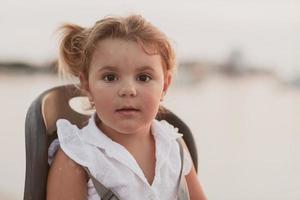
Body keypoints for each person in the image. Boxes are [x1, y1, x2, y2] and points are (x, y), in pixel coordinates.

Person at [46, 14, 207, 200]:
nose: (128, 90)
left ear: (165, 86)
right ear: (87, 86)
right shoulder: (78, 158)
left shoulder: (174, 146)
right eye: (110, 77)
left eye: (143, 77)